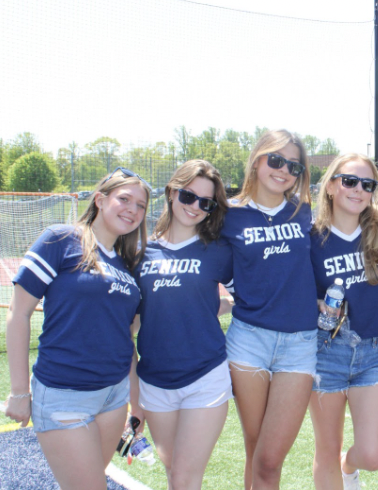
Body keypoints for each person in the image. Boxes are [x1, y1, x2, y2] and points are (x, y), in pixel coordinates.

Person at [5, 167, 149, 489]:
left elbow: (125, 339)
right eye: (124, 199)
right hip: (63, 395)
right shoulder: (60, 239)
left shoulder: (128, 266)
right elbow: (18, 313)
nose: (133, 210)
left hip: (113, 398)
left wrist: (136, 403)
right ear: (100, 199)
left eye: (141, 205)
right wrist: (18, 392)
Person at [220, 129, 317, 489]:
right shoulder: (229, 215)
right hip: (249, 340)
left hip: (300, 342)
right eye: (276, 160)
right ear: (257, 160)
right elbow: (219, 268)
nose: (284, 170)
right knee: (255, 449)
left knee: (270, 456)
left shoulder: (303, 212)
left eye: (293, 165)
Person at [130, 159, 233, 489]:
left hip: (205, 376)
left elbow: (247, 295)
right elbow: (130, 321)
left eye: (206, 203)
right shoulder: (139, 252)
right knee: (173, 470)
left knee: (186, 477)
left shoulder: (218, 251)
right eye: (189, 196)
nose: (195, 207)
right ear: (172, 192)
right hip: (154, 381)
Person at [309, 153, 378, 490]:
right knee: (326, 448)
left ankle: (348, 467)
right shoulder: (310, 237)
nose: (358, 189)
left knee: (373, 454)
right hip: (326, 351)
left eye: (368, 184)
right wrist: (316, 304)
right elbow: (291, 291)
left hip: (376, 350)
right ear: (332, 185)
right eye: (350, 181)